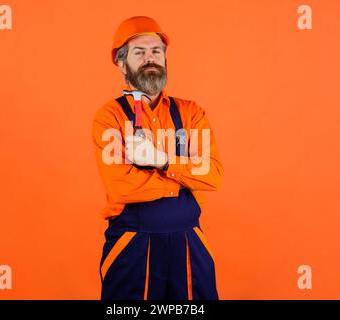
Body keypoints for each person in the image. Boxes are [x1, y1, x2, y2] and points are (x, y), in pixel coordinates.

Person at [92, 16, 223, 300]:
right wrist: (181, 180)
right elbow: (121, 186)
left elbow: (212, 174)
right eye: (139, 52)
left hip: (189, 242)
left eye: (156, 51)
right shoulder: (111, 118)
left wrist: (161, 160)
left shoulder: (191, 114)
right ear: (121, 62)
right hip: (132, 244)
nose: (150, 58)